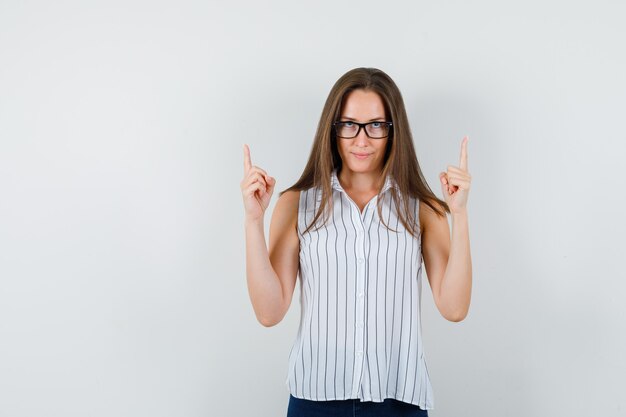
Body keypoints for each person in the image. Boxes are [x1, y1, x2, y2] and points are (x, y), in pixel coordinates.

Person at [240, 67, 472, 417]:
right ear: (332, 129)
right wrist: (253, 220)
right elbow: (269, 312)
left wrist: (461, 214)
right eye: (349, 124)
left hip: (399, 403)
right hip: (314, 402)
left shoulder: (422, 208)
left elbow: (454, 309)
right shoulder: (296, 203)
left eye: (376, 125)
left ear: (394, 130)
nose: (361, 140)